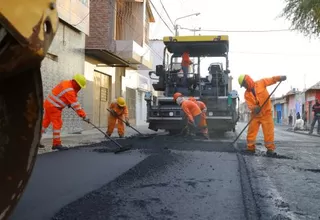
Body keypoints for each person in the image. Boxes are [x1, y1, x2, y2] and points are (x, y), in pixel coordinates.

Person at [238, 74, 287, 156]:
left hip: (266, 114)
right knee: (251, 132)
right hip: (255, 115)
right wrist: (254, 108)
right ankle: (250, 148)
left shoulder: (261, 83)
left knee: (268, 132)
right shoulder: (246, 94)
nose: (244, 87)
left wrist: (279, 78)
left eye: (244, 84)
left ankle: (270, 149)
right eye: (243, 86)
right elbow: (250, 105)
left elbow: (272, 79)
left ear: (247, 80)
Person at [41, 74, 89, 151]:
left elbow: (61, 95)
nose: (79, 88)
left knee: (45, 123)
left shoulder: (66, 83)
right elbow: (76, 105)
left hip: (49, 104)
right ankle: (56, 144)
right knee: (58, 124)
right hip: (54, 107)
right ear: (75, 83)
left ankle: (37, 140)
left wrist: (67, 102)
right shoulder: (69, 90)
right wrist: (84, 116)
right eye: (79, 86)